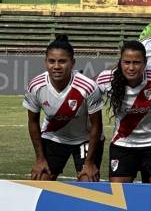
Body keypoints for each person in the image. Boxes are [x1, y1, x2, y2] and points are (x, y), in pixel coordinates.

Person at [96, 41, 151, 183]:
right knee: (118, 195)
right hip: (124, 143)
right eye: (127, 62)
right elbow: (85, 92)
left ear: (145, 63)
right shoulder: (107, 79)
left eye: (136, 62)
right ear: (120, 62)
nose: (131, 67)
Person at [24, 35, 103, 181]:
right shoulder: (36, 86)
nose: (56, 66)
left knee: (88, 180)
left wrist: (90, 162)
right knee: (41, 178)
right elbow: (33, 122)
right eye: (51, 61)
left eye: (62, 61)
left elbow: (96, 126)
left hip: (84, 139)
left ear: (72, 63)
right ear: (45, 62)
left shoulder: (88, 87)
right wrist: (40, 158)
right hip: (55, 137)